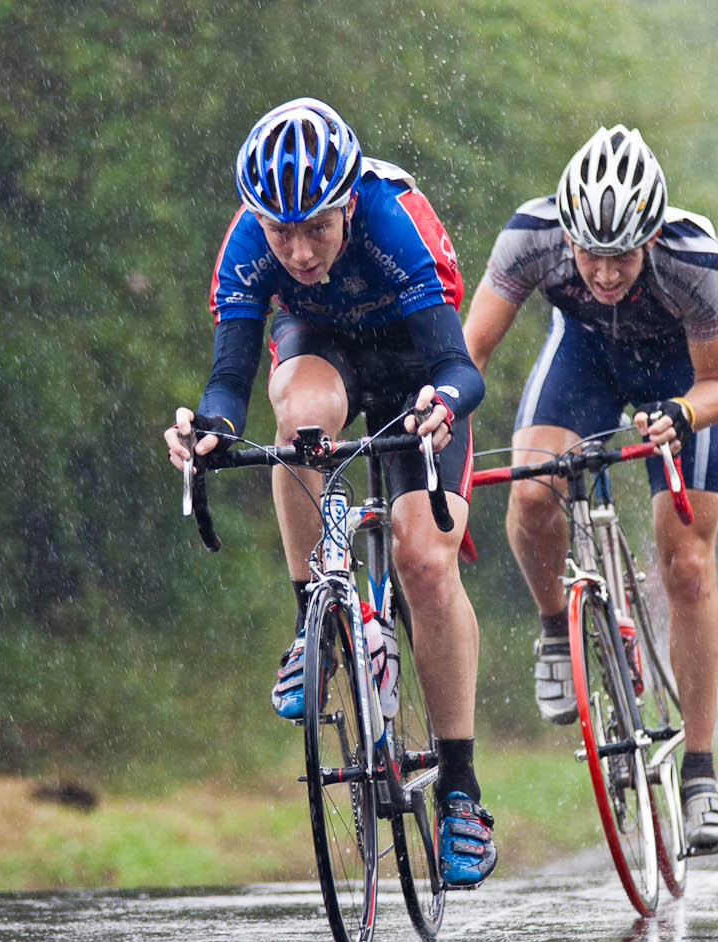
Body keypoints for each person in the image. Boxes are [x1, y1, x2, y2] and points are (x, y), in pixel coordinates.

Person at [162, 98, 496, 888]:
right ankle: (313, 619)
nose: (301, 252)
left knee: (424, 563)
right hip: (327, 354)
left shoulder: (390, 219)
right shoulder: (249, 241)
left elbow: (459, 368)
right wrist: (207, 428)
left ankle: (461, 788)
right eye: (283, 233)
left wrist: (441, 407)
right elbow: (229, 377)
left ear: (347, 204)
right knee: (298, 416)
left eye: (316, 227)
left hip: (416, 368)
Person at [461, 125, 718, 853]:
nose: (606, 272)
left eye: (621, 256)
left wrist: (680, 415)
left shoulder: (693, 259)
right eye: (590, 253)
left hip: (680, 381)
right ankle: (558, 632)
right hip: (584, 360)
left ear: (651, 236)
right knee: (529, 491)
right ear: (567, 234)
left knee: (686, 563)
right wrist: (438, 417)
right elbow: (472, 352)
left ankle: (702, 772)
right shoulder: (531, 236)